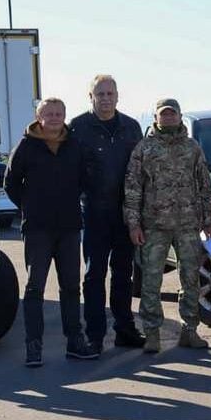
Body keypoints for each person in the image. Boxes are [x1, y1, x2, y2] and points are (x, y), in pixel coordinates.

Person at [6, 98, 98, 367]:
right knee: (35, 288)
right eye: (49, 114)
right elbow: (11, 182)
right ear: (39, 116)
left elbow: (85, 179)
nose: (55, 118)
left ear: (65, 116)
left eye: (59, 113)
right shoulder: (26, 145)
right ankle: (33, 346)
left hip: (69, 227)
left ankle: (75, 342)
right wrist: (28, 205)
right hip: (37, 229)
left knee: (71, 287)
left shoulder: (74, 144)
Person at [124, 98, 211, 353]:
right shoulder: (144, 149)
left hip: (188, 225)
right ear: (156, 118)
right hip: (154, 226)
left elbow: (205, 187)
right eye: (163, 114)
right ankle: (152, 332)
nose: (168, 118)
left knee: (191, 280)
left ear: (179, 116)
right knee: (151, 282)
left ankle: (190, 330)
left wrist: (209, 221)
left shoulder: (192, 148)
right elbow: (132, 189)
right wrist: (133, 224)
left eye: (172, 114)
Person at [68, 74, 146, 353]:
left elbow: (141, 172)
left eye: (110, 94)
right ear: (90, 97)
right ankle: (95, 334)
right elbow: (69, 172)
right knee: (94, 275)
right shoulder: (78, 128)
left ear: (117, 96)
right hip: (94, 213)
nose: (105, 99)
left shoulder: (131, 127)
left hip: (125, 214)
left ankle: (125, 328)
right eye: (99, 94)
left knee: (124, 274)